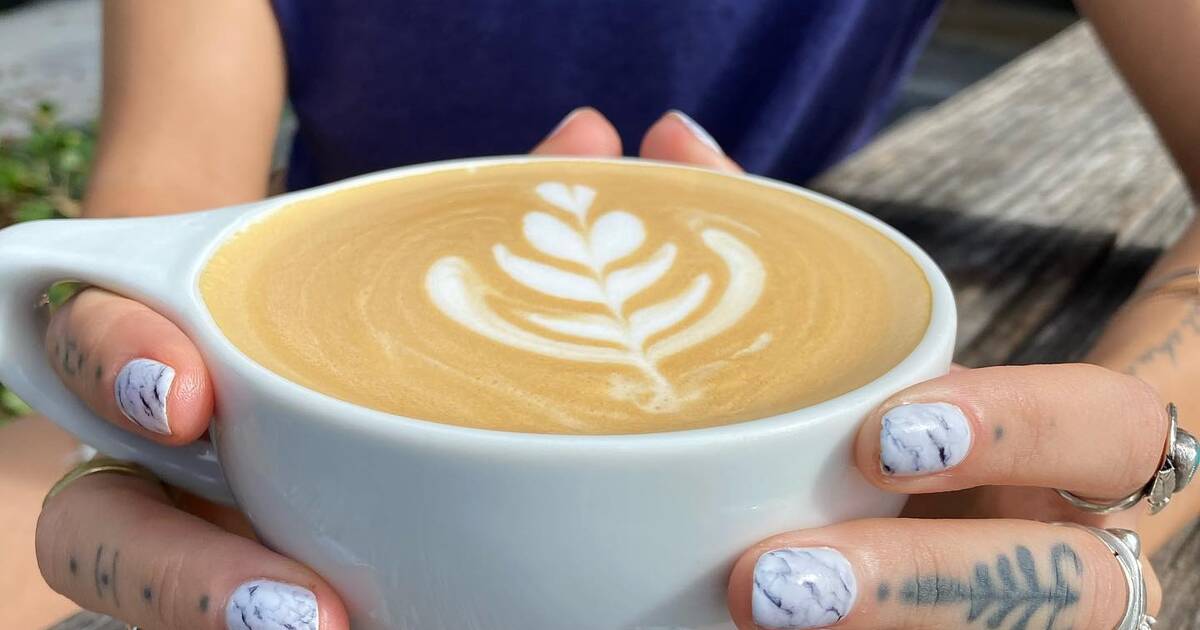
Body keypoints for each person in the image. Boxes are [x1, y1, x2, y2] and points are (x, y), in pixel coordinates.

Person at [26, 1, 1200, 629]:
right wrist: (148, 412)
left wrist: (1098, 509)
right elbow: (166, 205)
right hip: (308, 410)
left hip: (788, 377)